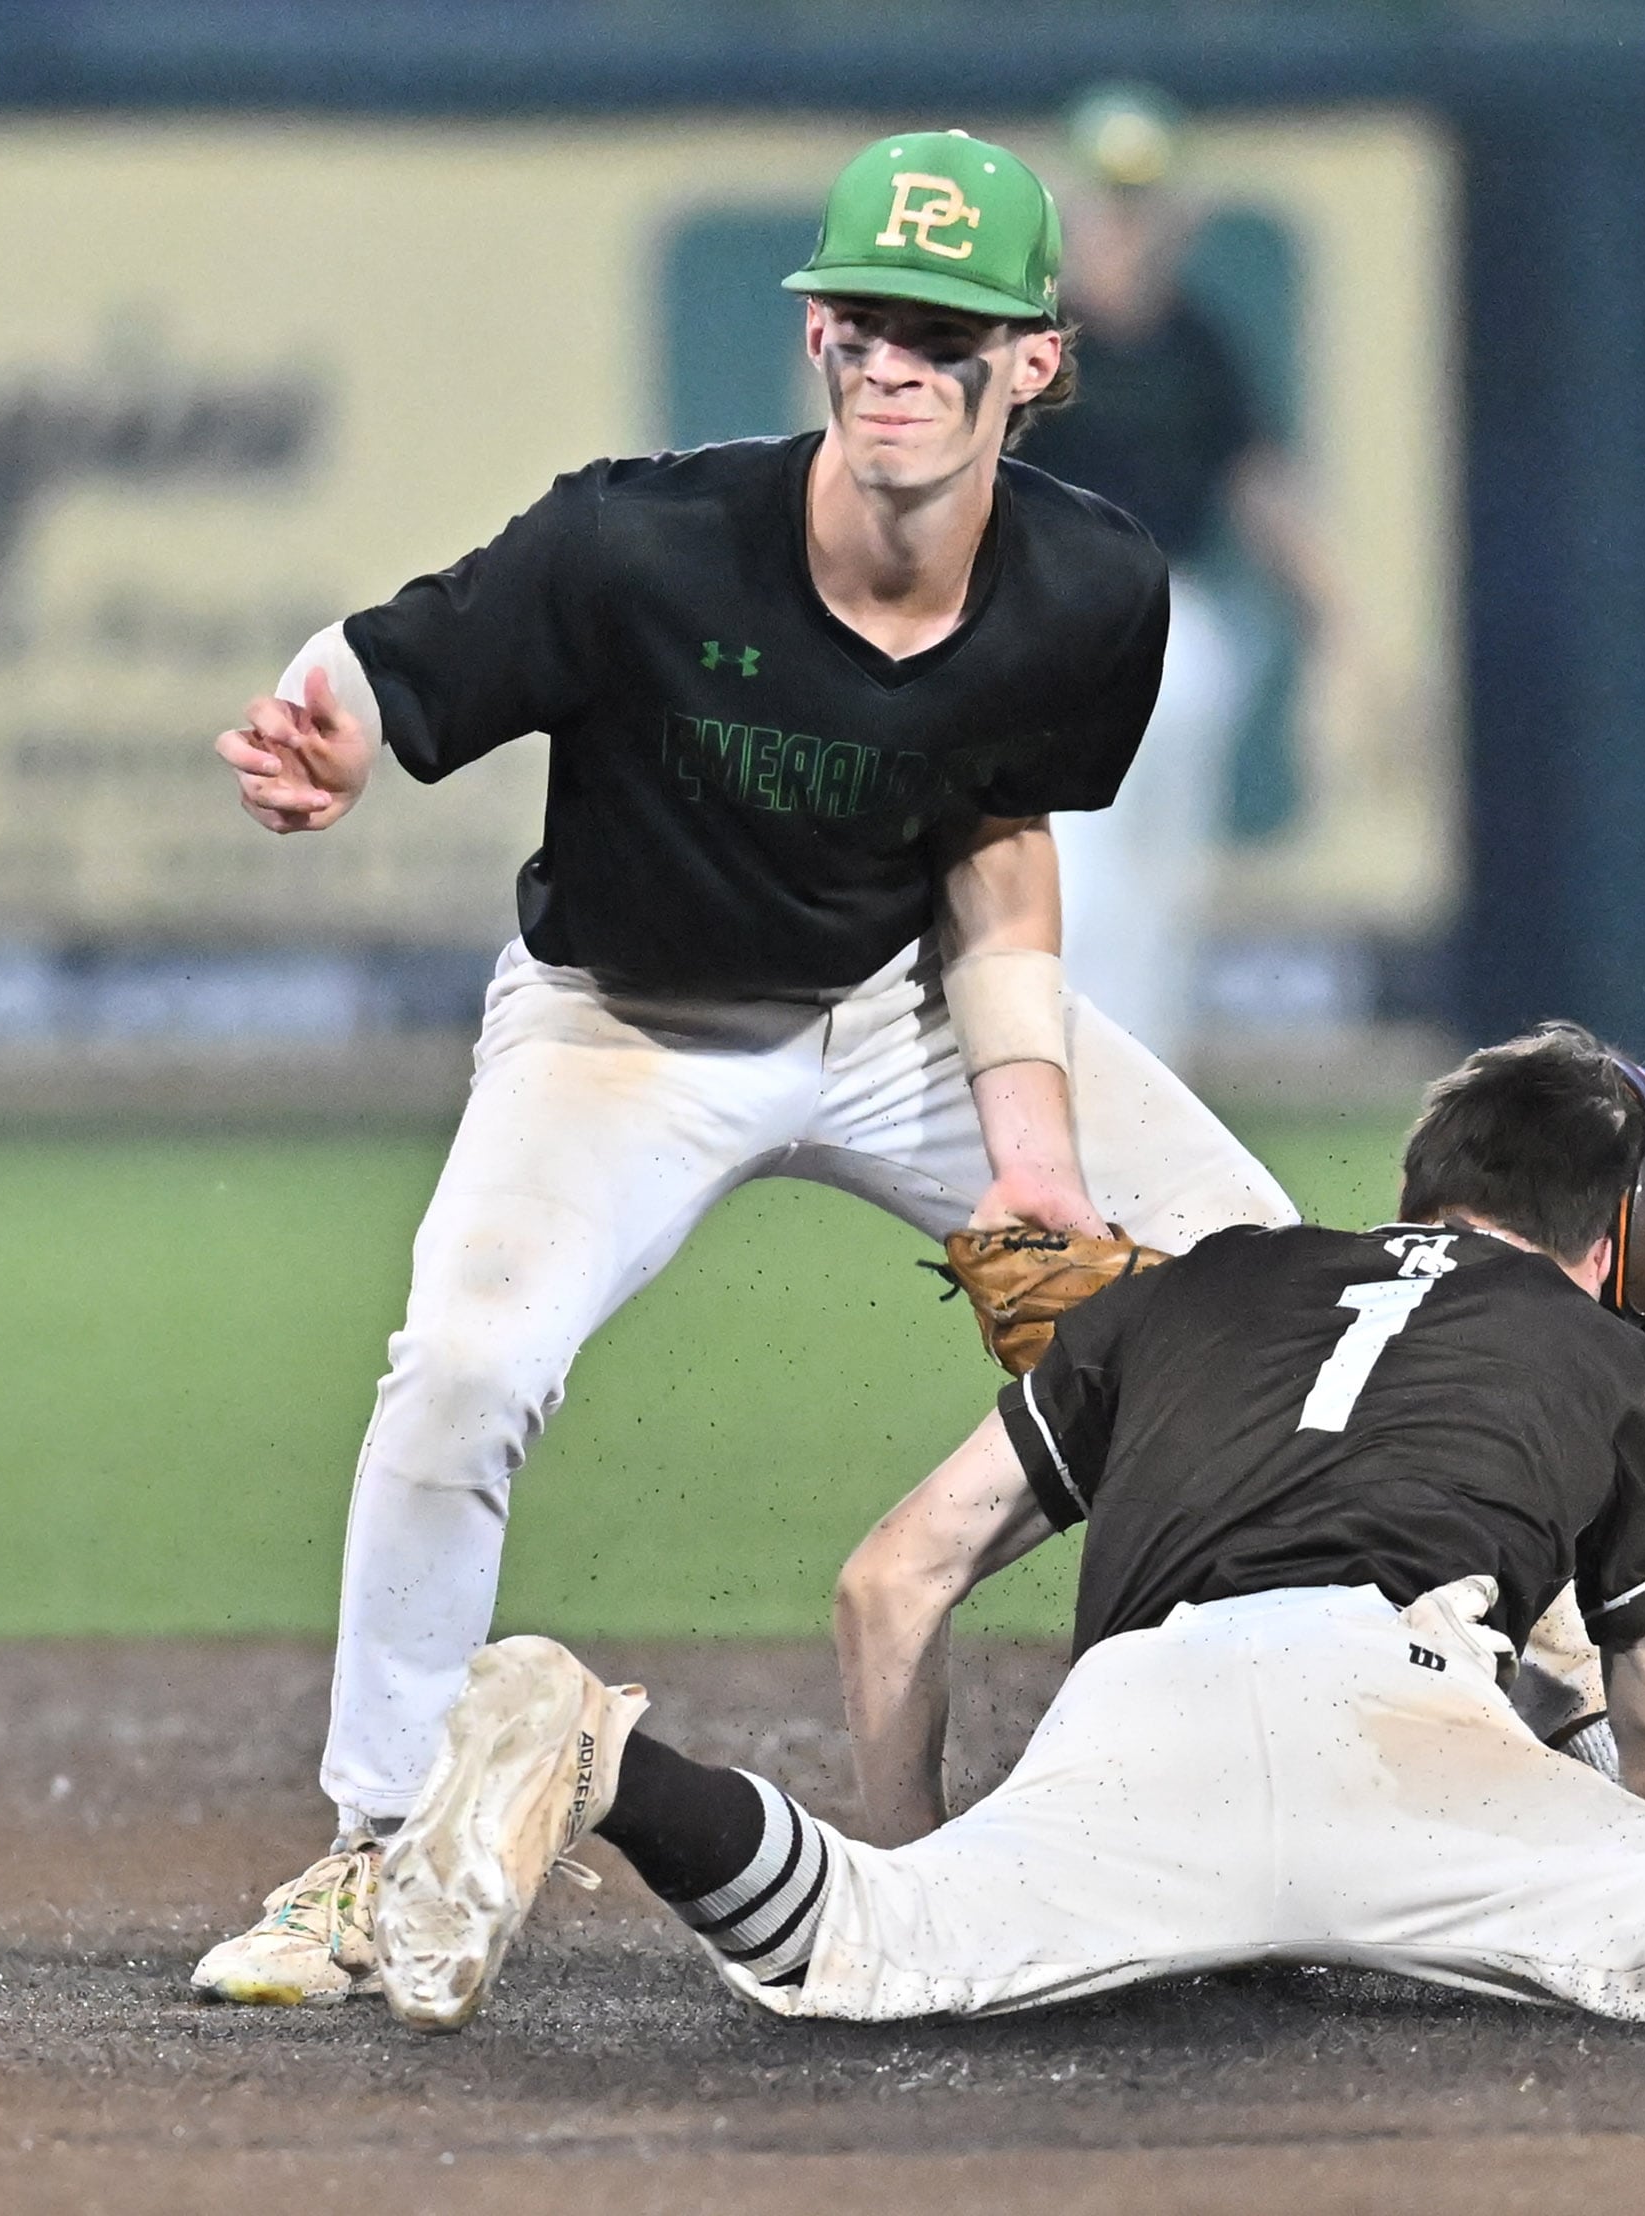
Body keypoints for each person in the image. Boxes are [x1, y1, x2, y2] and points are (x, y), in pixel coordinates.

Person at [191, 127, 1297, 2006]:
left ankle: (1330, 1785)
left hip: (899, 1011)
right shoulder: (643, 540)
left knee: (1269, 1291)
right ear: (813, 337)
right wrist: (327, 728)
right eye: (863, 315)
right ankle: (378, 1852)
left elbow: (996, 842)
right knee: (462, 1366)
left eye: (942, 330)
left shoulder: (1092, 590)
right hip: (621, 1024)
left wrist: (1033, 1152)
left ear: (1033, 362)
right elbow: (385, 659)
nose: (892, 359)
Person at [363, 1024, 1645, 2040]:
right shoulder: (1599, 1355)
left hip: (1136, 1715)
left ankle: (597, 1751)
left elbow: (893, 1581)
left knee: (865, 1946)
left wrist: (955, 1839)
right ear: (1628, 1240)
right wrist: (1583, 1799)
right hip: (1406, 1710)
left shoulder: (1199, 1285)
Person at [1008, 88, 1339, 1067]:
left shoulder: (1199, 342)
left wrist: (1344, 633)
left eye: (1142, 201)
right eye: (1107, 200)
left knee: (1165, 878)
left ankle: (1143, 1081)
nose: (1125, 223)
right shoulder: (1029, 337)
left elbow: (1263, 490)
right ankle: (1058, 1072)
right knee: (1072, 864)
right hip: (1054, 617)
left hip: (1176, 614)